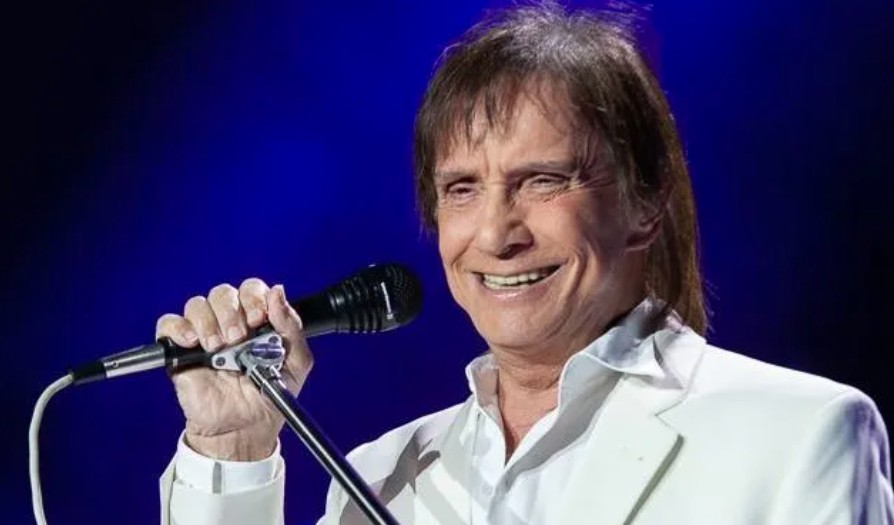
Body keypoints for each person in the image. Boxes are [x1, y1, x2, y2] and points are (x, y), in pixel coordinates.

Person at [156, 4, 893, 524]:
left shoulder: (799, 434)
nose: (496, 233)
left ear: (645, 202)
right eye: (462, 189)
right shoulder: (381, 476)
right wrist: (234, 449)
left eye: (542, 180)